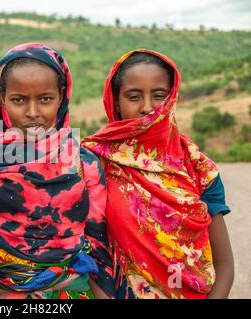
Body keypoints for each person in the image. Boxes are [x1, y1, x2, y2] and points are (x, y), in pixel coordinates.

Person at [0, 43, 114, 299]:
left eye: (45, 99)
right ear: (0, 99)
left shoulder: (84, 163)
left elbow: (98, 249)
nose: (33, 112)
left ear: (62, 97)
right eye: (19, 100)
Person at [82, 49, 234, 299]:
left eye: (159, 95)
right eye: (134, 96)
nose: (147, 107)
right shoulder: (93, 163)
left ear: (172, 98)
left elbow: (225, 265)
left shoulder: (198, 169)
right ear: (116, 102)